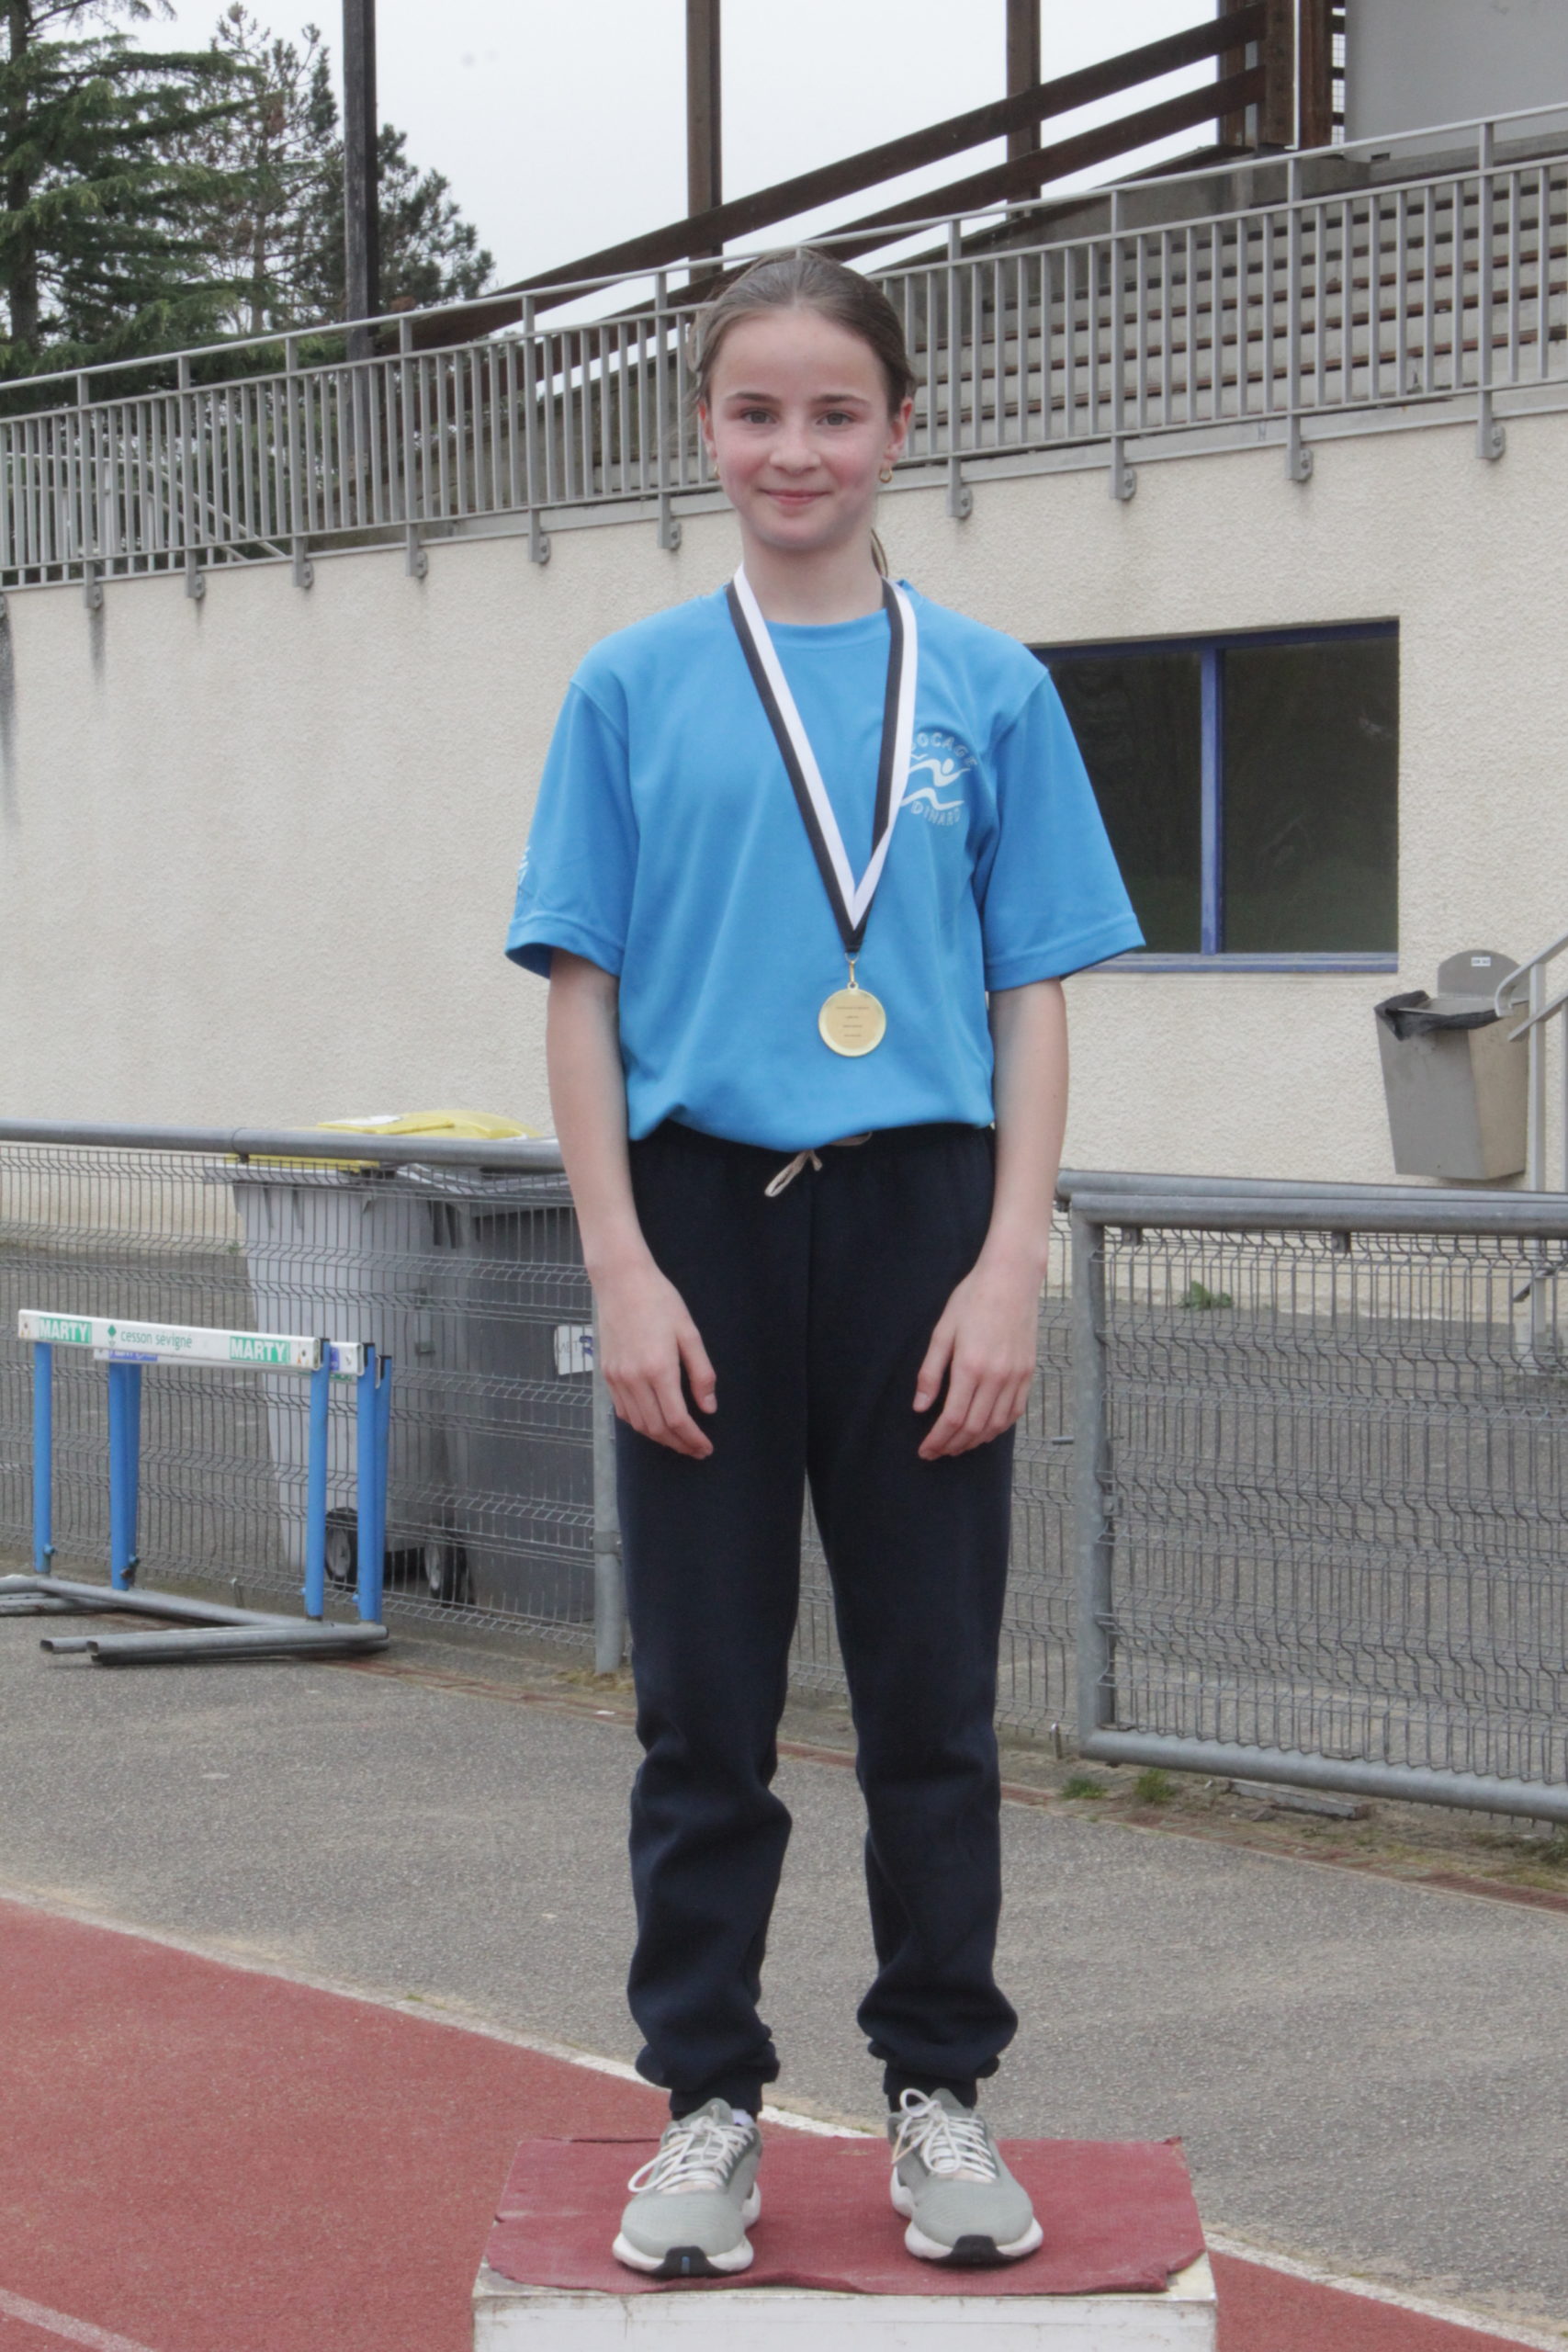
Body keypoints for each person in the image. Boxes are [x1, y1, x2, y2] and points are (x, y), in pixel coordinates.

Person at [506, 247, 1141, 2281]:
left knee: (929, 1700)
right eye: (757, 410)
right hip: (696, 1214)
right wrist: (619, 1265)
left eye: (835, 411)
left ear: (899, 428)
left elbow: (1032, 993)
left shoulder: (991, 687)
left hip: (921, 1218)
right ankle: (704, 2100)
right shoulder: (628, 686)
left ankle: (937, 2088)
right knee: (701, 1702)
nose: (796, 448)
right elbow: (584, 995)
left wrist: (1008, 1262)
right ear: (705, 430)